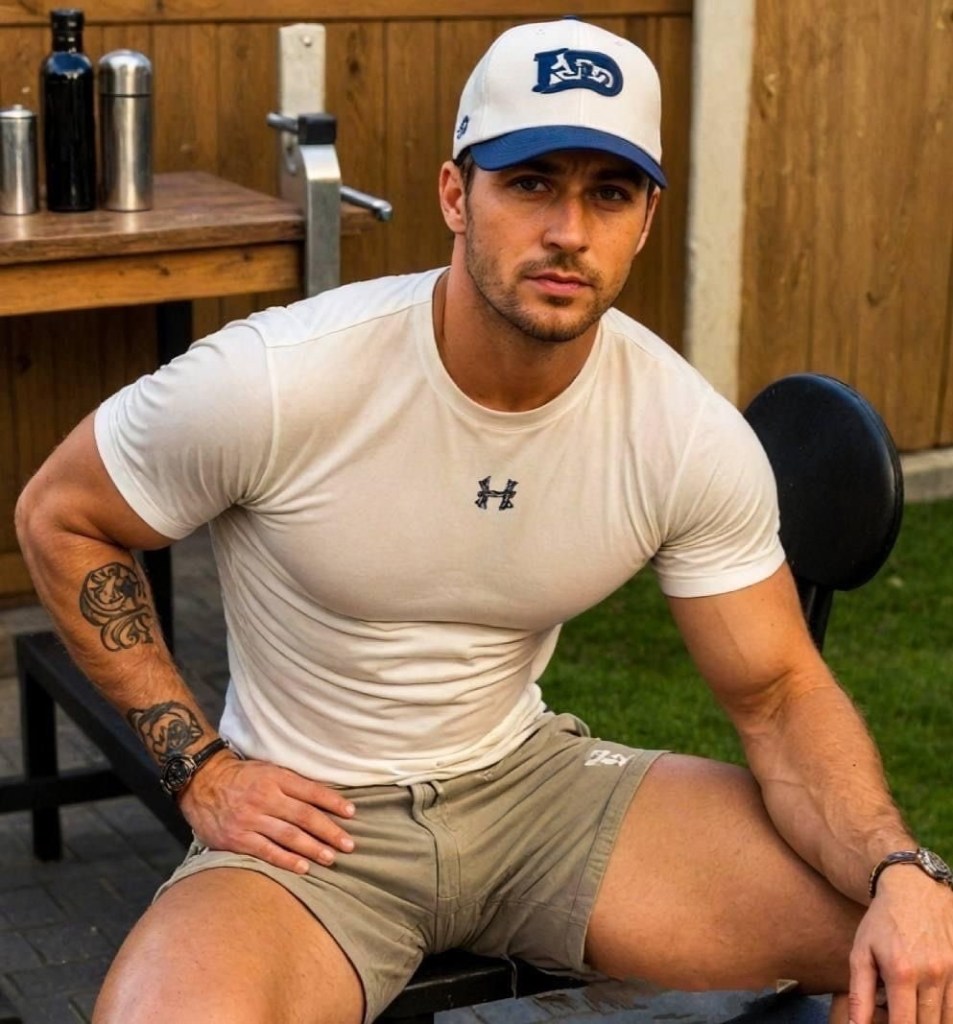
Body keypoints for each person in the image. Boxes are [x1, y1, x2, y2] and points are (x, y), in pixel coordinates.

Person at [14, 18, 953, 1024]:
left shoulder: (679, 431)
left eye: (609, 193)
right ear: (456, 195)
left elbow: (775, 691)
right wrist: (198, 766)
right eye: (531, 182)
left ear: (644, 221)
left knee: (916, 951)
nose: (568, 230)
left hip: (533, 794)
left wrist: (900, 868)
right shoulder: (279, 380)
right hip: (311, 827)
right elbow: (62, 515)